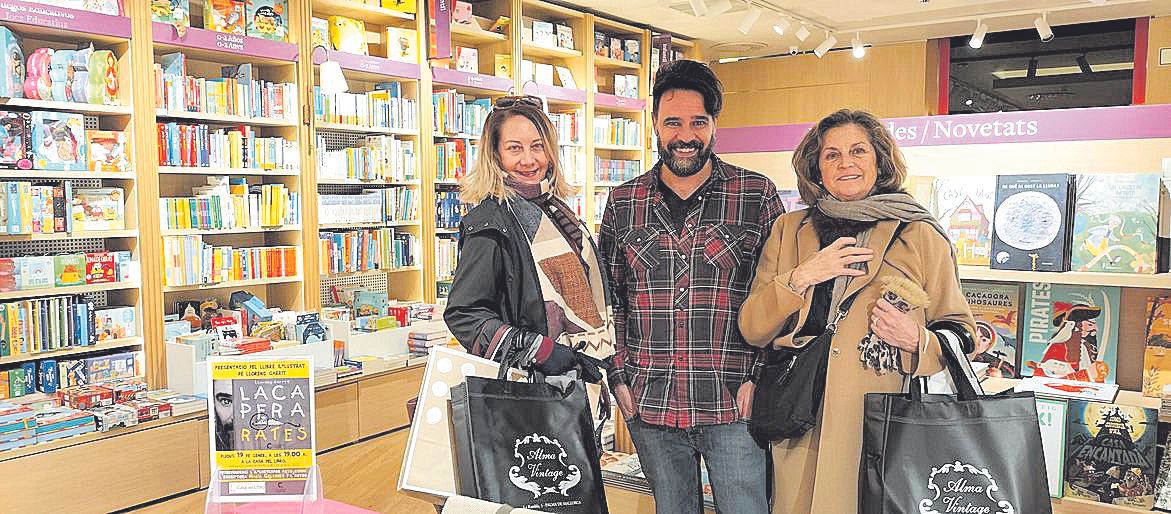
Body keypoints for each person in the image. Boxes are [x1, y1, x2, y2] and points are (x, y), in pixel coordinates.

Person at [738, 109, 977, 514]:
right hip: (800, 419)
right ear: (816, 167)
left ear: (879, 161)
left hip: (881, 423)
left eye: (857, 151)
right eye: (831, 155)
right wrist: (802, 276)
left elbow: (960, 332)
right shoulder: (790, 230)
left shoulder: (918, 234)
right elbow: (753, 328)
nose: (845, 163)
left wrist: (916, 339)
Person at [600, 59, 784, 514]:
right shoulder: (624, 201)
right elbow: (609, 300)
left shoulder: (755, 194)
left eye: (698, 121)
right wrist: (618, 374)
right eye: (673, 122)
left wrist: (762, 377)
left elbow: (780, 297)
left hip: (734, 402)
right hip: (651, 403)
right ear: (655, 127)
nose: (686, 135)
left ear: (714, 125)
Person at [445, 95, 614, 383]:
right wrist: (541, 351)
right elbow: (464, 313)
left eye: (537, 146)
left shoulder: (556, 211)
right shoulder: (491, 222)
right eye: (514, 149)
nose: (528, 159)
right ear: (496, 155)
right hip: (530, 390)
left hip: (574, 381)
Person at [1027, 302, 1107, 382]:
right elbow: (1050, 381)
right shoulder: (1058, 347)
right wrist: (1087, 374)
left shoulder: (1084, 347)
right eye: (1090, 325)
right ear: (1075, 326)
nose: (1096, 329)